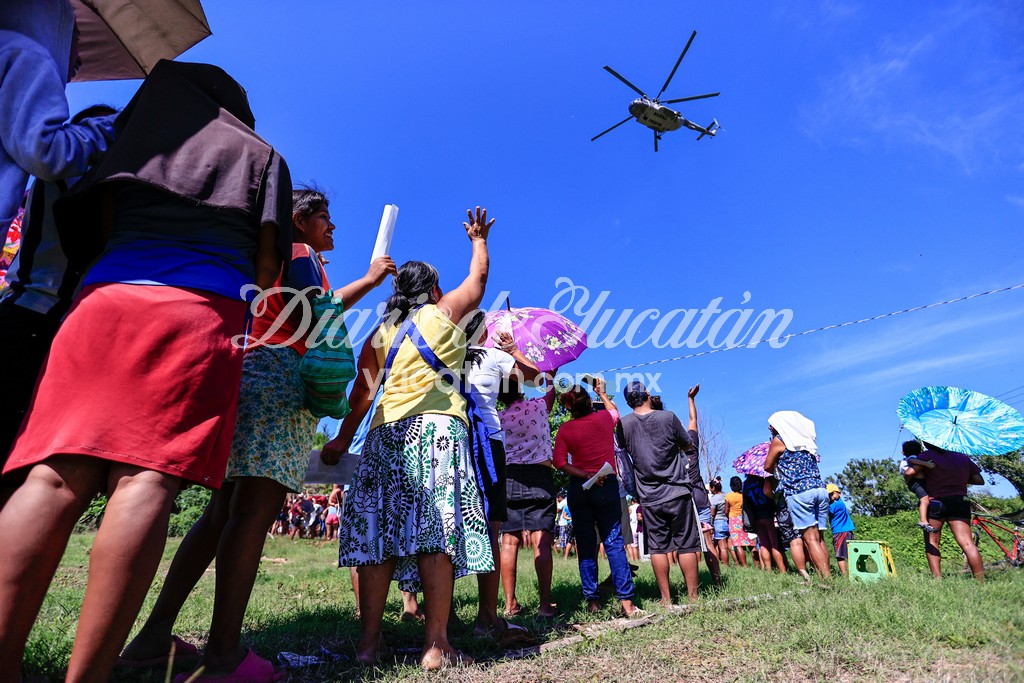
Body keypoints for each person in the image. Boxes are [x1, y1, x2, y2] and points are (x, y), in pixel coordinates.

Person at [0, 61, 292, 682]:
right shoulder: (259, 154)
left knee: (51, 479)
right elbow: (268, 270)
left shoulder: (126, 141)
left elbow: (97, 231)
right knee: (144, 484)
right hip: (195, 315)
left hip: (100, 308)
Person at [321, 207, 495, 669]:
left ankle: (368, 644)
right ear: (434, 288)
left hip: (383, 437)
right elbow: (477, 281)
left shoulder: (381, 332)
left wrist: (341, 441)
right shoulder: (445, 314)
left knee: (378, 537)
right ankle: (436, 645)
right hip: (439, 432)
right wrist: (478, 239)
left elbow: (361, 393)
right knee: (436, 535)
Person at [0, 0, 118, 469]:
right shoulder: (25, 53)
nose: (77, 63)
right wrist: (118, 129)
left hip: (22, 309)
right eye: (76, 44)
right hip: (37, 318)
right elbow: (48, 153)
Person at [462, 312, 540, 643]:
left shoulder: (446, 355)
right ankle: (487, 619)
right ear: (482, 333)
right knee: (492, 527)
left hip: (453, 438)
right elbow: (536, 379)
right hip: (488, 444)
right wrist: (513, 350)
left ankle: (443, 615)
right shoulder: (493, 356)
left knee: (448, 526)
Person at [554, 380, 640, 616]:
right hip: (606, 484)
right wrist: (601, 393)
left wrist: (584, 474)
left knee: (585, 544)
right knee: (613, 542)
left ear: (570, 408)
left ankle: (592, 602)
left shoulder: (565, 430)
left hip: (579, 489)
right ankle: (627, 603)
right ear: (589, 402)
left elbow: (559, 462)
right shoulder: (603, 419)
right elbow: (614, 412)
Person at [615, 381, 702, 605]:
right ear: (648, 394)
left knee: (658, 548)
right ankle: (693, 597)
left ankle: (666, 598)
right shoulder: (668, 417)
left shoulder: (623, 425)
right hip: (677, 490)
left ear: (627, 401)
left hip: (649, 495)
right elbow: (687, 445)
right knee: (687, 545)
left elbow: (624, 455)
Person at [497, 374, 559, 620]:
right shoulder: (538, 406)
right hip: (540, 476)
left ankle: (510, 604)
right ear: (520, 389)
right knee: (541, 540)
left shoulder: (498, 418)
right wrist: (550, 377)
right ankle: (544, 605)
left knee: (509, 542)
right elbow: (552, 393)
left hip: (508, 478)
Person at [763, 411, 831, 579]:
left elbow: (767, 466)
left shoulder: (779, 440)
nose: (770, 427)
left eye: (772, 424)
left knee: (810, 539)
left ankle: (827, 581)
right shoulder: (807, 441)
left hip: (799, 491)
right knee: (820, 538)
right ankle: (826, 576)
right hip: (820, 489)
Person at [904, 444, 985, 582]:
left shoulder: (927, 456)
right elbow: (979, 480)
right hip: (960, 502)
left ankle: (937, 581)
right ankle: (981, 581)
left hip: (936, 502)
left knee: (932, 542)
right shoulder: (962, 457)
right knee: (967, 543)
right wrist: (959, 479)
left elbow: (910, 472)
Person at [678, 387, 721, 585]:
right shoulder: (692, 448)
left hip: (683, 501)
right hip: (700, 499)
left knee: (689, 545)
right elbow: (693, 421)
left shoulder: (670, 455)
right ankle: (717, 580)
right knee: (708, 541)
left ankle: (693, 585)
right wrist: (690, 399)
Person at [743, 474, 785, 573]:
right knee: (774, 544)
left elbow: (746, 503)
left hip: (756, 516)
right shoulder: (763, 480)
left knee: (764, 544)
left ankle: (769, 570)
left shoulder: (745, 484)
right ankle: (782, 570)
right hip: (768, 514)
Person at [899, 440, 936, 533]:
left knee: (925, 499)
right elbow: (912, 460)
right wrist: (926, 463)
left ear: (903, 451)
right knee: (924, 500)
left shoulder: (909, 458)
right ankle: (923, 521)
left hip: (915, 482)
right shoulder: (912, 458)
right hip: (916, 482)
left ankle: (924, 520)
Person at [826, 483, 855, 576]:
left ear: (838, 493)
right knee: (850, 554)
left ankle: (845, 575)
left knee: (840, 556)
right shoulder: (841, 502)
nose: (831, 497)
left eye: (832, 494)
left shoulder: (836, 505)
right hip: (847, 531)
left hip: (840, 532)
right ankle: (853, 573)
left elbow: (826, 510)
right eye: (829, 495)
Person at [725, 477, 753, 566]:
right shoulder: (744, 495)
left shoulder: (728, 496)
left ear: (731, 486)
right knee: (750, 542)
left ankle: (744, 565)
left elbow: (726, 511)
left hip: (733, 520)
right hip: (745, 519)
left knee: (738, 544)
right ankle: (758, 564)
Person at [708, 479, 731, 566]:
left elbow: (712, 514)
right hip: (728, 521)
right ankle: (737, 562)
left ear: (713, 488)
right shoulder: (726, 495)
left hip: (718, 523)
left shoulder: (714, 499)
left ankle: (725, 565)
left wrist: (711, 524)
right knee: (730, 546)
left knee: (723, 547)